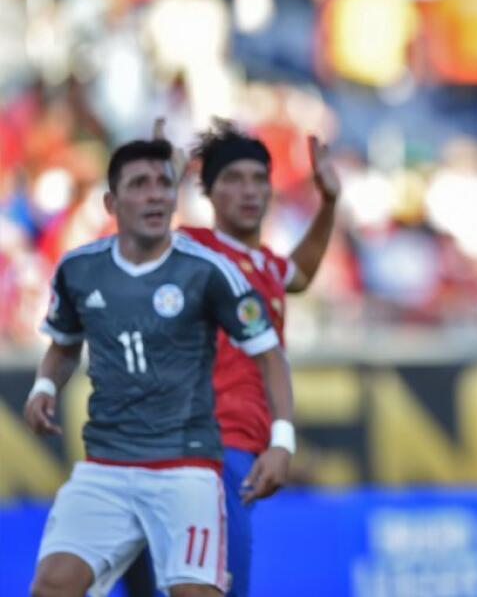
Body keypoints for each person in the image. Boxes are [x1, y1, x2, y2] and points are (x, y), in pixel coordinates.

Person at [24, 139, 296, 597]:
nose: (155, 195)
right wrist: (44, 385)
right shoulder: (78, 269)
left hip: (185, 469)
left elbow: (269, 353)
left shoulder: (210, 271)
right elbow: (65, 343)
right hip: (105, 467)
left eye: (164, 184)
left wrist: (282, 441)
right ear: (111, 202)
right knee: (52, 586)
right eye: (140, 184)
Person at [121, 120, 341, 597]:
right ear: (209, 192)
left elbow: (298, 274)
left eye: (258, 179)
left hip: (233, 453)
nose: (249, 191)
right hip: (200, 448)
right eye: (233, 179)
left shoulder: (263, 265)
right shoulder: (195, 248)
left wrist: (328, 204)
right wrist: (165, 173)